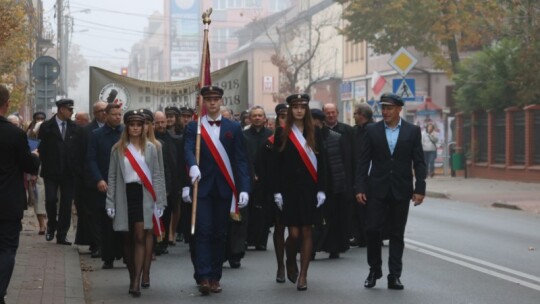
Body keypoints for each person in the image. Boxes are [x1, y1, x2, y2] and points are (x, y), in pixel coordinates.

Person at [354, 93, 426, 290]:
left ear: (398, 110)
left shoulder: (412, 131)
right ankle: (374, 269)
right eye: (383, 108)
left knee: (396, 233)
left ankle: (394, 275)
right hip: (376, 188)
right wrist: (360, 187)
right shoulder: (372, 130)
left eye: (389, 108)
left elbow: (419, 161)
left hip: (401, 189)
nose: (385, 112)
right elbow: (363, 161)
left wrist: (420, 188)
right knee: (372, 229)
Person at [184, 85, 250, 295]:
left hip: (224, 188)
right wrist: (192, 166)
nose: (212, 103)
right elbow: (187, 150)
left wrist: (244, 188)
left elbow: (240, 160)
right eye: (208, 99)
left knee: (220, 234)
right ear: (203, 102)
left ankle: (215, 276)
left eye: (216, 99)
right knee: (203, 231)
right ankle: (203, 276)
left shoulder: (233, 127)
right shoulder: (194, 127)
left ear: (221, 101)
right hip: (201, 187)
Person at [106, 110, 166, 297]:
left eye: (139, 125)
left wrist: (160, 201)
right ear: (127, 127)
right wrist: (110, 201)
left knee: (140, 236)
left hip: (144, 194)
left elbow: (157, 175)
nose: (135, 128)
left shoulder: (151, 148)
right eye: (132, 125)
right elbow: (113, 176)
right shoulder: (117, 149)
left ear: (143, 127)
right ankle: (132, 273)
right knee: (127, 239)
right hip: (124, 195)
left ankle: (136, 281)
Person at [272, 94, 327, 291]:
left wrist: (322, 189)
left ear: (307, 110)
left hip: (310, 190)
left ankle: (303, 275)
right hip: (289, 191)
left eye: (302, 107)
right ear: (290, 110)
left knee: (307, 231)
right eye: (295, 107)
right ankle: (289, 261)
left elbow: (323, 164)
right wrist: (277, 191)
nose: (298, 110)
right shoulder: (282, 134)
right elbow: (276, 166)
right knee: (293, 234)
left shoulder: (316, 133)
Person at [0, 84, 40, 304]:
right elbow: (28, 165)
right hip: (8, 202)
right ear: (7, 105)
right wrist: (35, 156)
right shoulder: (15, 134)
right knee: (6, 249)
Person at [38, 98, 85, 245]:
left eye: (72, 110)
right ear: (61, 110)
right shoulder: (46, 127)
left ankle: (62, 234)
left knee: (66, 204)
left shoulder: (75, 128)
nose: (71, 112)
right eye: (69, 110)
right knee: (51, 199)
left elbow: (79, 150)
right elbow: (41, 149)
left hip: (69, 172)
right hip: (51, 171)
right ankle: (52, 224)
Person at [87, 103, 124, 269]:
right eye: (114, 114)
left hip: (123, 182)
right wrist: (98, 179)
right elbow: (91, 159)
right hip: (104, 183)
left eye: (119, 114)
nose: (118, 117)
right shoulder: (96, 135)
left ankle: (124, 253)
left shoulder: (125, 132)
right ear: (106, 115)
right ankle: (107, 256)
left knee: (123, 220)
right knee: (107, 221)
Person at [310, 109, 350, 260]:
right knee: (314, 220)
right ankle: (311, 249)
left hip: (333, 184)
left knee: (334, 219)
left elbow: (344, 162)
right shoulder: (305, 138)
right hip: (313, 185)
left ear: (321, 122)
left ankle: (334, 248)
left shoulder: (336, 137)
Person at [244, 106, 273, 251]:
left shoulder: (271, 135)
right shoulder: (243, 135)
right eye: (254, 116)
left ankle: (261, 240)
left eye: (260, 115)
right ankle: (248, 239)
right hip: (248, 176)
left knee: (264, 210)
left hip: (266, 178)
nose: (257, 118)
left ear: (264, 118)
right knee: (248, 209)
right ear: (250, 118)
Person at [349, 103, 374, 248]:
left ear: (362, 116)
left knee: (369, 208)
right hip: (357, 172)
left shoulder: (373, 130)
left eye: (355, 114)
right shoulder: (355, 131)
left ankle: (368, 236)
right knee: (358, 207)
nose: (354, 116)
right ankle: (360, 235)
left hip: (371, 173)